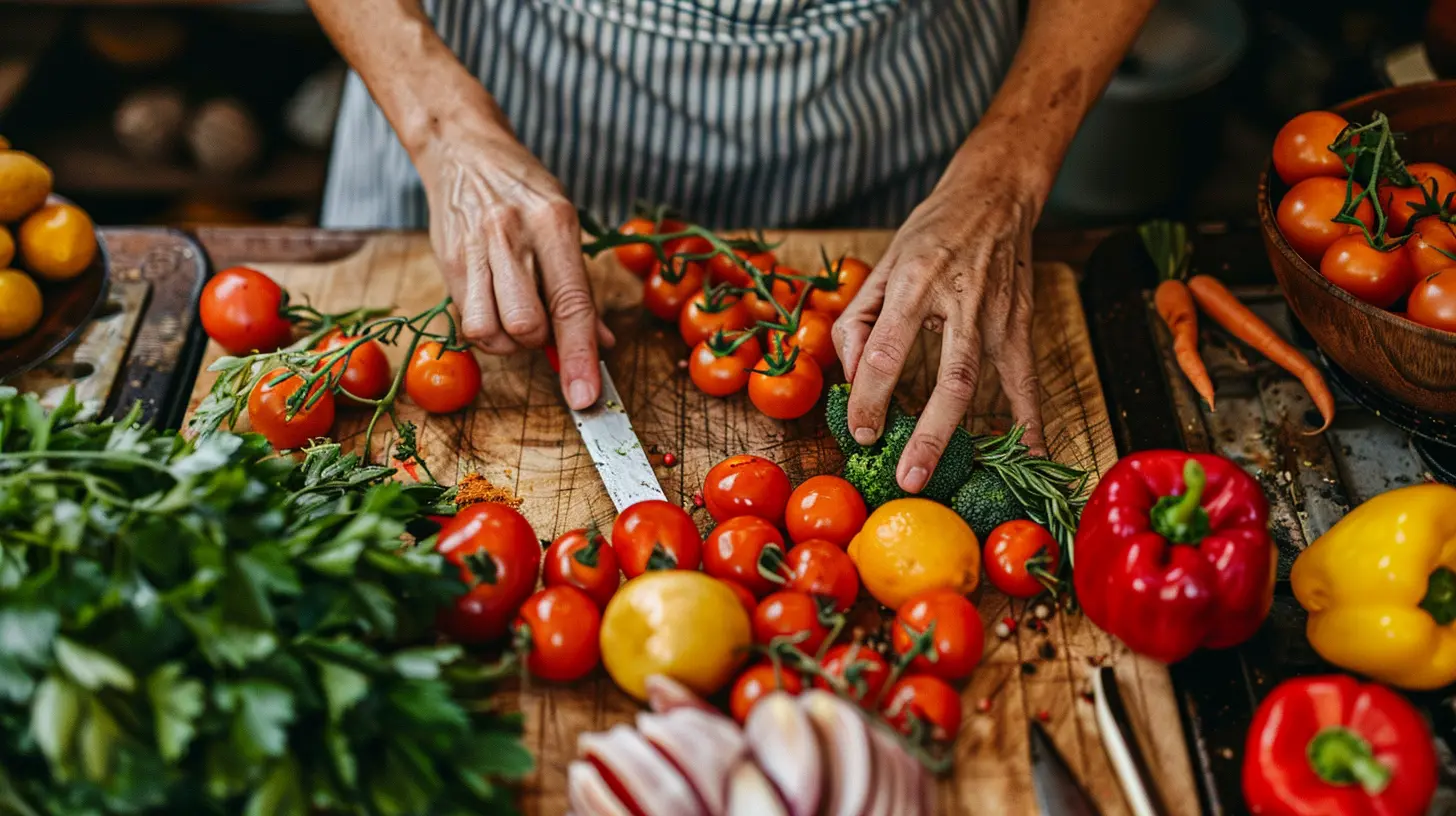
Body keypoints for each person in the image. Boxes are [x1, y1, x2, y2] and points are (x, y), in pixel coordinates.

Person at [310, 0, 1154, 492]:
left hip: (894, 95)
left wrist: (1008, 164)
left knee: (901, 359)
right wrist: (440, 125)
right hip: (493, 73)